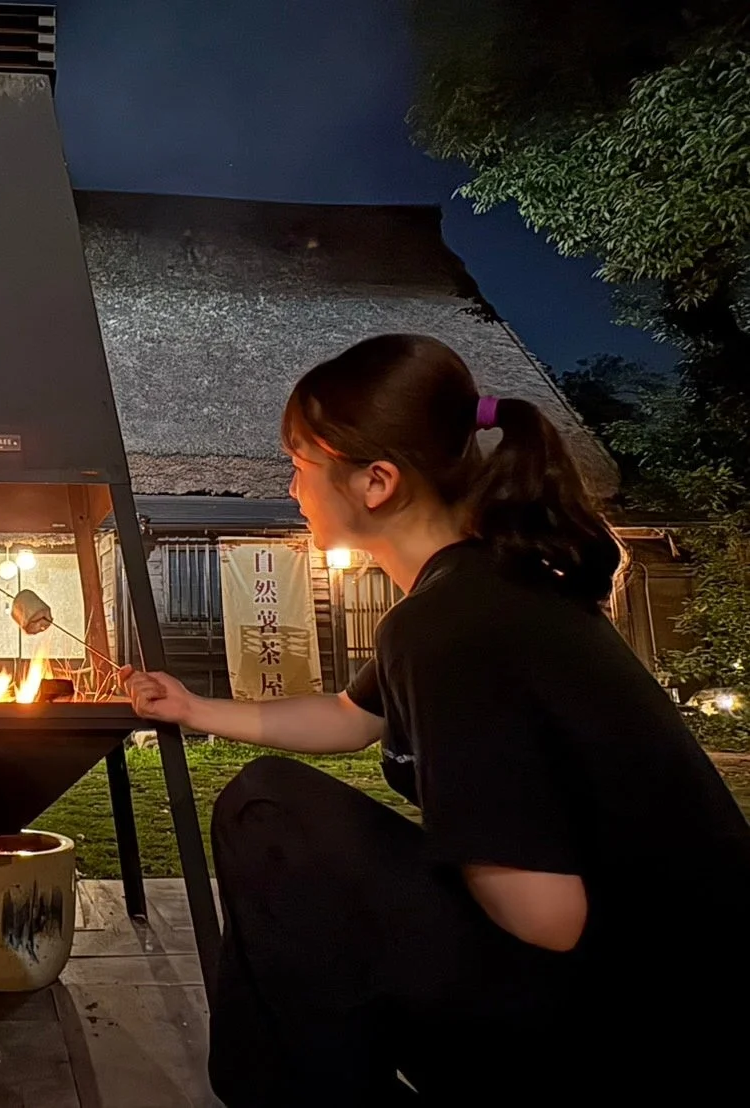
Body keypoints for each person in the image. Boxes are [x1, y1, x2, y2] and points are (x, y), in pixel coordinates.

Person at [123, 334, 750, 1104]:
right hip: (661, 1000)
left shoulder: (451, 622)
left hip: (638, 1034)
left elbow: (548, 916)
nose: (290, 487)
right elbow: (348, 719)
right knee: (290, 830)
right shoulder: (483, 587)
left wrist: (427, 856)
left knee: (266, 812)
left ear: (375, 481)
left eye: (300, 465)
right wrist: (191, 707)